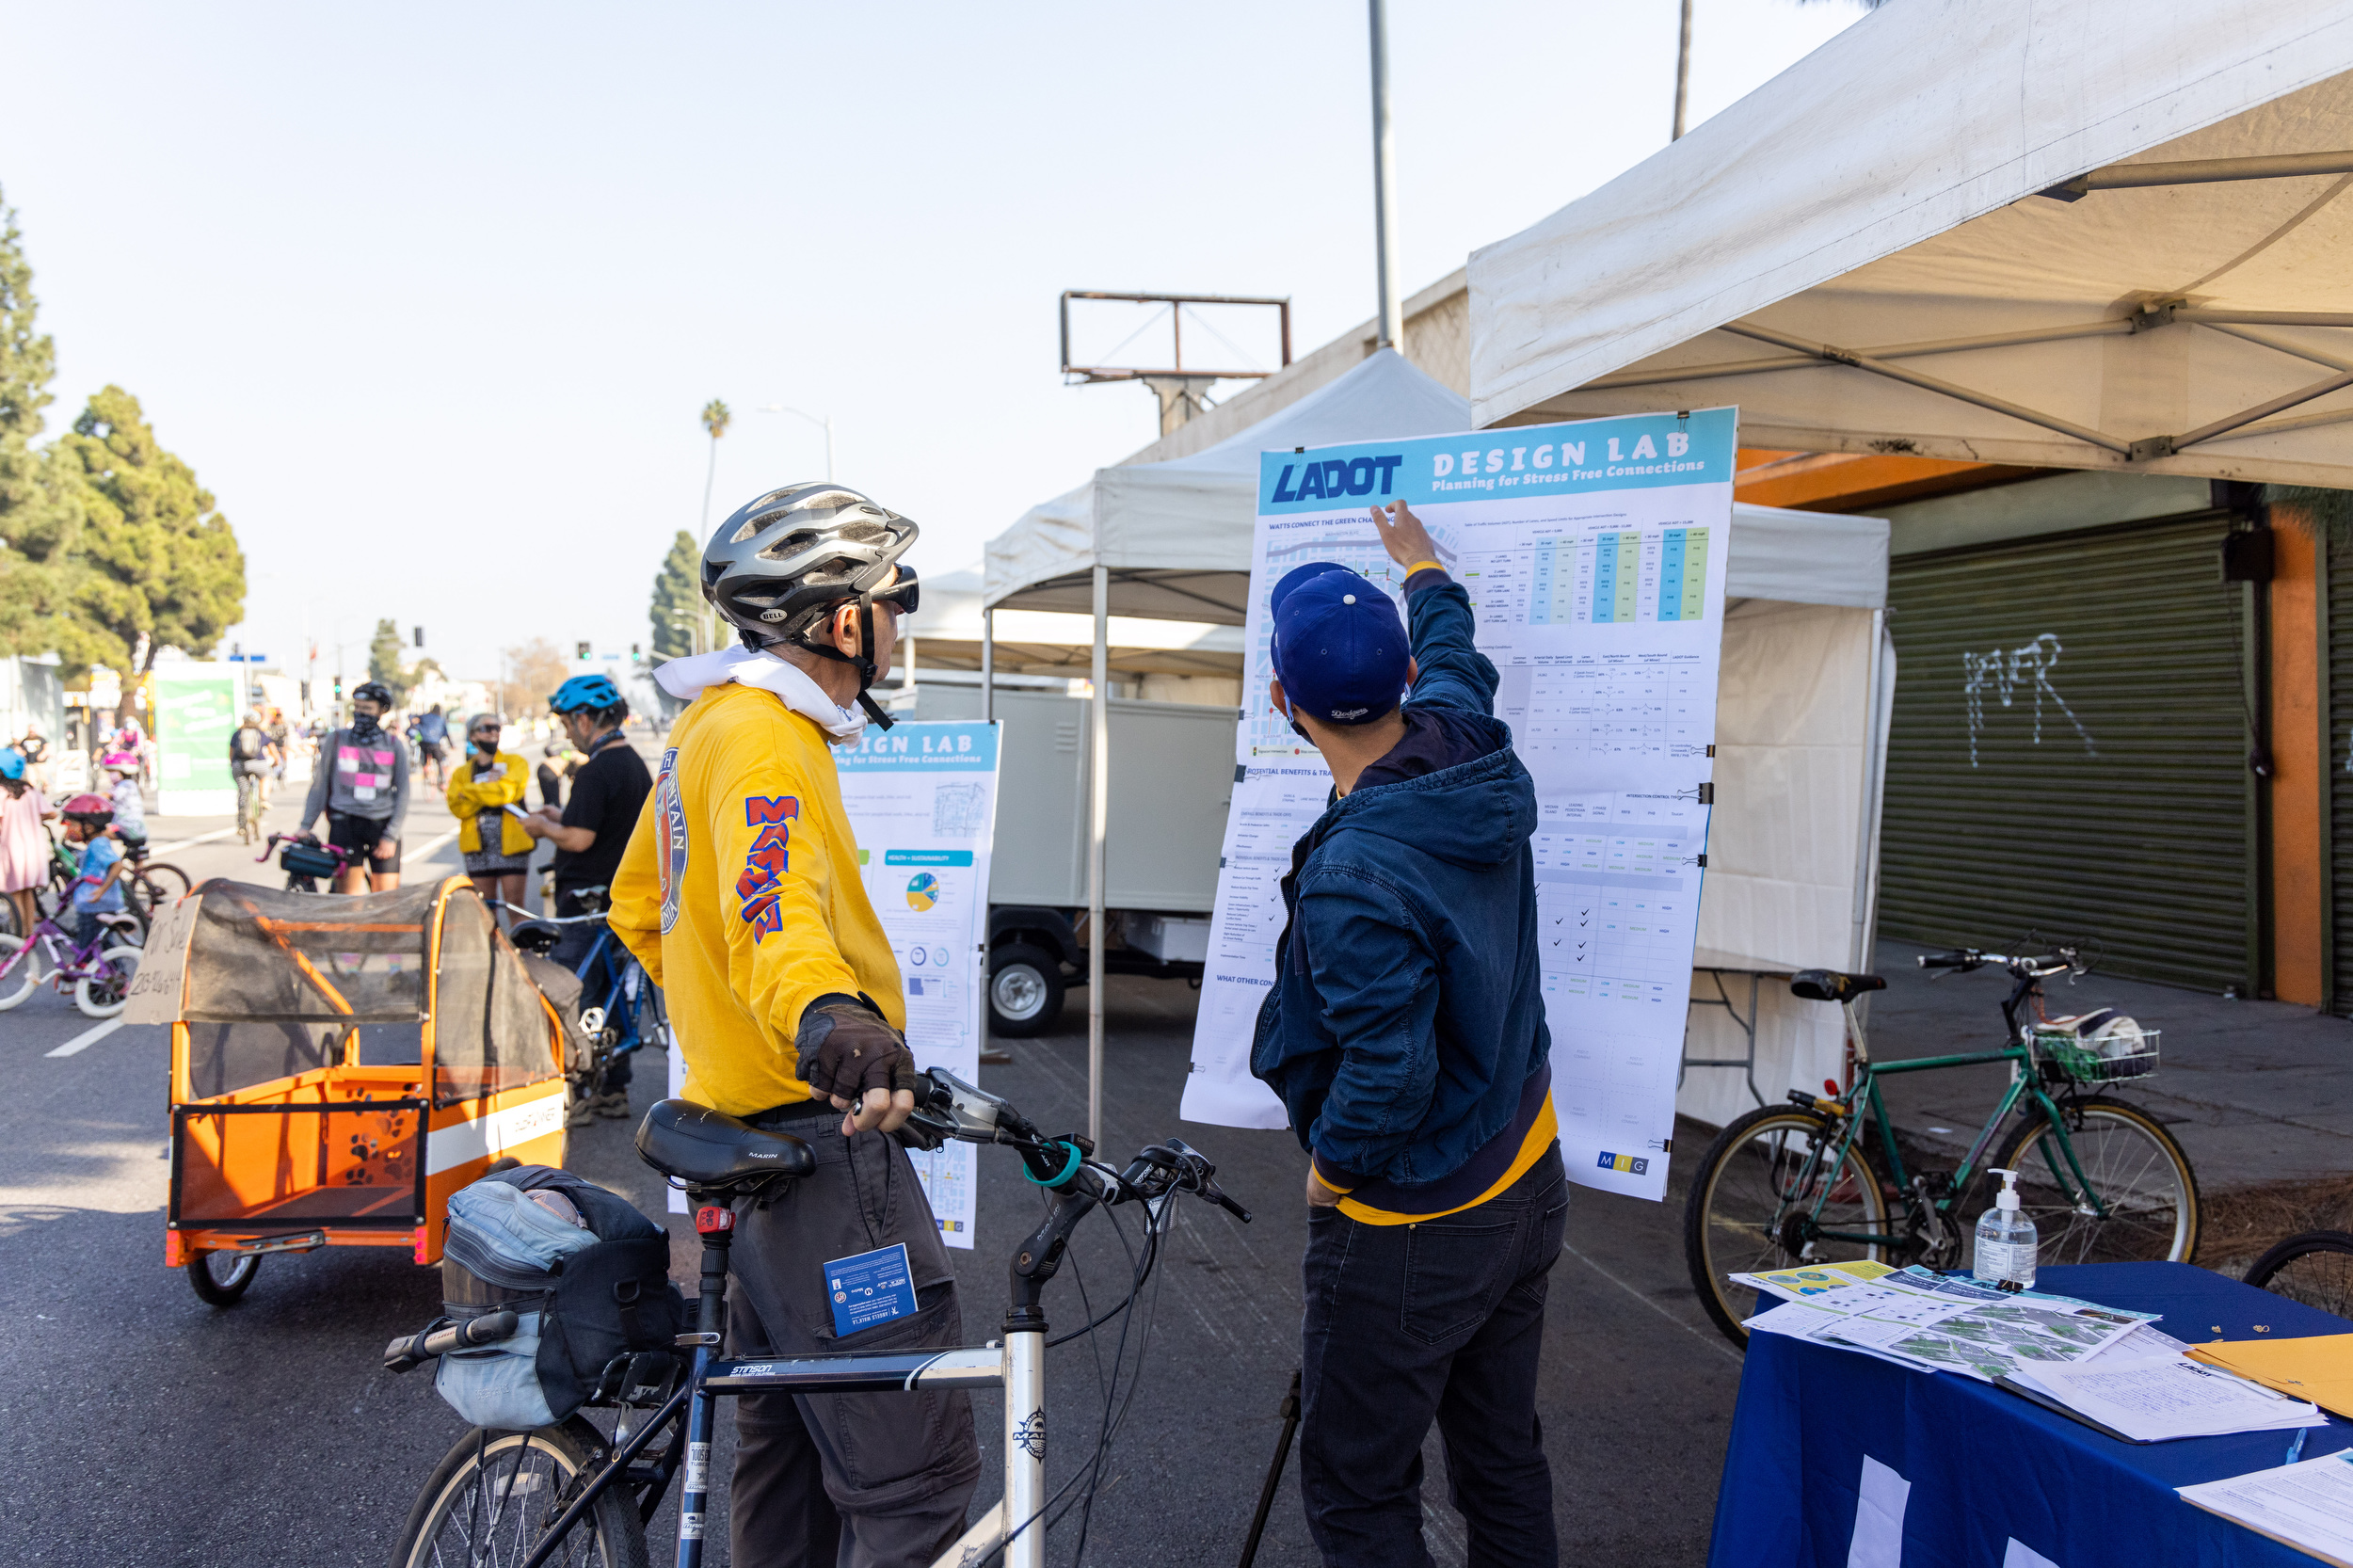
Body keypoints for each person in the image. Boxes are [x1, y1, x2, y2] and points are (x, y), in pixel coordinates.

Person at [607, 482, 958, 1568]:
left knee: (786, 1462)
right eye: (898, 595)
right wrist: (827, 1021)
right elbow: (775, 913)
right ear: (844, 618)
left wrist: (731, 1029)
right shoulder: (766, 738)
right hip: (815, 1154)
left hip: (740, 1146)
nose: (904, 618)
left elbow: (638, 907)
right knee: (911, 1482)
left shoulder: (705, 729)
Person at [1251, 500, 1564, 1568]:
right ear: (1395, 684)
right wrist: (1422, 567)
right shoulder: (1464, 740)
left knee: (1358, 1487)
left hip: (1414, 1214)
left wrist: (1330, 1173)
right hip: (1525, 1164)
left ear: (1286, 702)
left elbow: (1391, 1069)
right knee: (1502, 1456)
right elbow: (1455, 653)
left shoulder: (1353, 876)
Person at [520, 674, 652, 1120]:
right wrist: (562, 815)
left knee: (572, 994)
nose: (566, 732)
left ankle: (577, 1091)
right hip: (619, 895)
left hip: (587, 903)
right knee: (608, 996)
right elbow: (603, 825)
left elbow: (578, 838)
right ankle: (614, 1089)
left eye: (567, 723)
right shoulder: (630, 762)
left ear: (584, 718)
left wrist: (543, 828)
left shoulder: (596, 770)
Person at [299, 680, 409, 893]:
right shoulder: (337, 739)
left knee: (386, 901)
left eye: (367, 709)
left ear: (381, 711)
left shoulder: (394, 745)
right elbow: (320, 784)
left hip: (381, 826)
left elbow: (403, 792)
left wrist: (390, 836)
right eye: (357, 708)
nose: (361, 713)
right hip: (345, 825)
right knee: (347, 902)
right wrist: (306, 825)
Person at [448, 713, 534, 918]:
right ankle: (492, 949)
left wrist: (469, 791)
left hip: (511, 844)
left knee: (515, 905)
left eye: (497, 728)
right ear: (473, 736)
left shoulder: (515, 762)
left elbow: (507, 793)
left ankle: (521, 949)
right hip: (477, 846)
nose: (494, 732)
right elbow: (457, 807)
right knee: (485, 908)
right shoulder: (462, 772)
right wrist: (490, 789)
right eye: (487, 728)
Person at [57, 792, 128, 951]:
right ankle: (116, 972)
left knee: (87, 949)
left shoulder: (98, 844)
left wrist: (100, 891)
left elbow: (117, 865)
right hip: (95, 905)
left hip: (96, 907)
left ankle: (94, 973)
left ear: (88, 826)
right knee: (103, 946)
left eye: (73, 825)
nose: (70, 829)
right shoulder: (96, 843)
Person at [0, 751, 48, 936]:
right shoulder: (29, 790)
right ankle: (28, 933)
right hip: (34, 848)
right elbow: (50, 812)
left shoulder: (3, 792)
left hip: (12, 848)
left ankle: (19, 936)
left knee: (15, 894)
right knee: (28, 891)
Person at [229, 708, 275, 843]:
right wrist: (277, 761)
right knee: (266, 776)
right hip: (258, 764)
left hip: (240, 765)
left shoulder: (237, 733)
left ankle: (242, 825)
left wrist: (233, 764)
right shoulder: (260, 733)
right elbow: (272, 749)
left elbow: (231, 752)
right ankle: (264, 799)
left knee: (243, 791)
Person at [100, 752, 147, 863]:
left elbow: (107, 796)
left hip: (130, 829)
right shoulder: (130, 785)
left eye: (112, 771)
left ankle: (109, 862)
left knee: (99, 835)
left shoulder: (126, 785)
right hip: (136, 830)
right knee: (139, 869)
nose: (110, 775)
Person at [413, 704, 450, 788]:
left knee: (424, 754)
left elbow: (412, 717)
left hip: (423, 743)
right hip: (435, 744)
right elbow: (446, 733)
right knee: (440, 760)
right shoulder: (441, 719)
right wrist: (452, 744)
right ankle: (442, 780)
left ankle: (425, 766)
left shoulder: (424, 716)